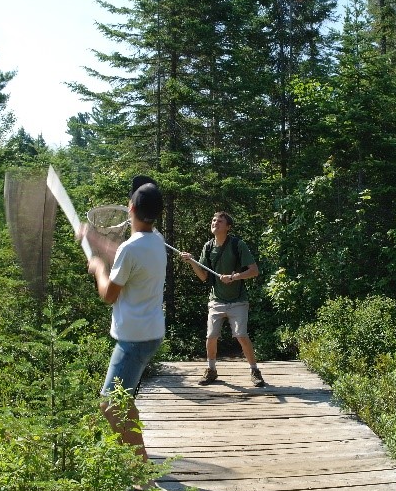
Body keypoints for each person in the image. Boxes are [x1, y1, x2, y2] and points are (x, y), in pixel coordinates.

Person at [77, 176, 166, 463]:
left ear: (130, 208)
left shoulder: (131, 249)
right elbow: (123, 256)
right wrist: (91, 239)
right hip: (150, 333)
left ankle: (142, 471)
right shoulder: (156, 241)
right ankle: (139, 465)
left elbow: (109, 295)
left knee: (111, 403)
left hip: (134, 340)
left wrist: (98, 269)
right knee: (122, 401)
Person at [180, 211, 264, 388]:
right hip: (216, 300)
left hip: (238, 300)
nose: (215, 222)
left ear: (228, 227)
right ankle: (211, 370)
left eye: (220, 220)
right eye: (213, 220)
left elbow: (254, 271)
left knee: (241, 335)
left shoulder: (237, 244)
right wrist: (192, 261)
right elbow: (203, 276)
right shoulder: (208, 247)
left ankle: (255, 371)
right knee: (211, 336)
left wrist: (234, 277)